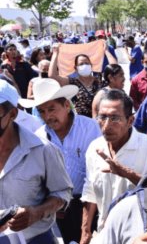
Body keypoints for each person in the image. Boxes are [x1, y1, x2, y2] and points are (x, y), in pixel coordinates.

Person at [18, 78, 102, 244]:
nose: (47, 116)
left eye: (51, 109)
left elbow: (98, 169)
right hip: (59, 207)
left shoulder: (91, 128)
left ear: (66, 105)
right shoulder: (39, 137)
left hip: (90, 203)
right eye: (41, 111)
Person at [80, 89, 147, 243]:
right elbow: (90, 192)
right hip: (105, 232)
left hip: (138, 234)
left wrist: (126, 173)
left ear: (130, 121)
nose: (107, 125)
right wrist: (85, 231)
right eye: (102, 117)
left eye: (115, 118)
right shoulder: (95, 148)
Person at [0, 80, 72, 243]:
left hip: (35, 239)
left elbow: (62, 192)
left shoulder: (43, 150)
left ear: (12, 114)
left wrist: (36, 213)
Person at [49, 42, 117, 117]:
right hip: (83, 124)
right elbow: (52, 76)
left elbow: (115, 70)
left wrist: (106, 51)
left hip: (101, 122)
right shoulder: (72, 82)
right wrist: (55, 54)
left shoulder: (99, 81)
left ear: (91, 66)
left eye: (87, 63)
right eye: (81, 64)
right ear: (76, 68)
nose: (85, 65)